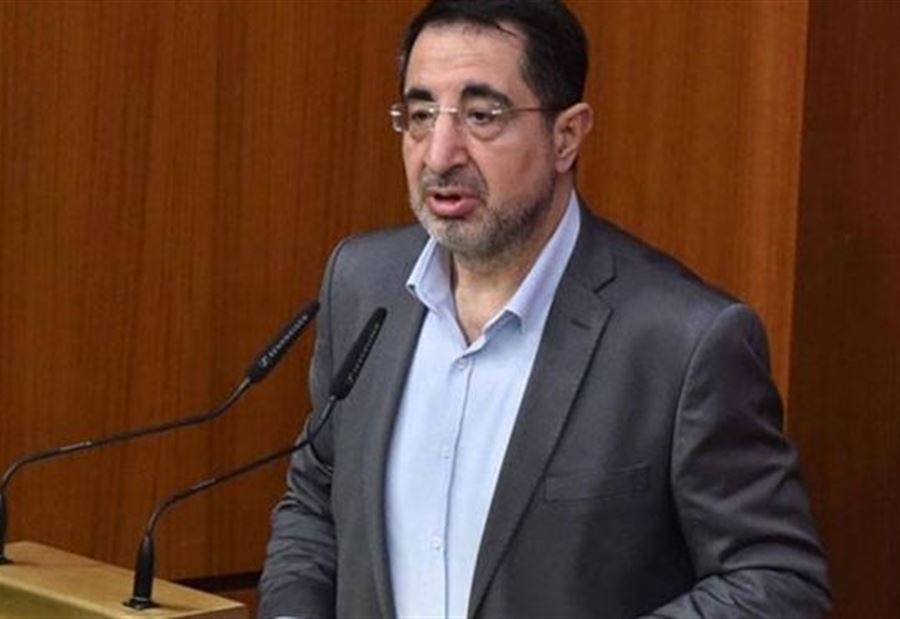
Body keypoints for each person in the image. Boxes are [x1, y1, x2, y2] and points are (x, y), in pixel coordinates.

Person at [258, 1, 830, 617]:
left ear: (567, 136)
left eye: (482, 116)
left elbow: (776, 579)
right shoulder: (363, 284)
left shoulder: (682, 340)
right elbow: (315, 500)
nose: (439, 154)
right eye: (421, 115)